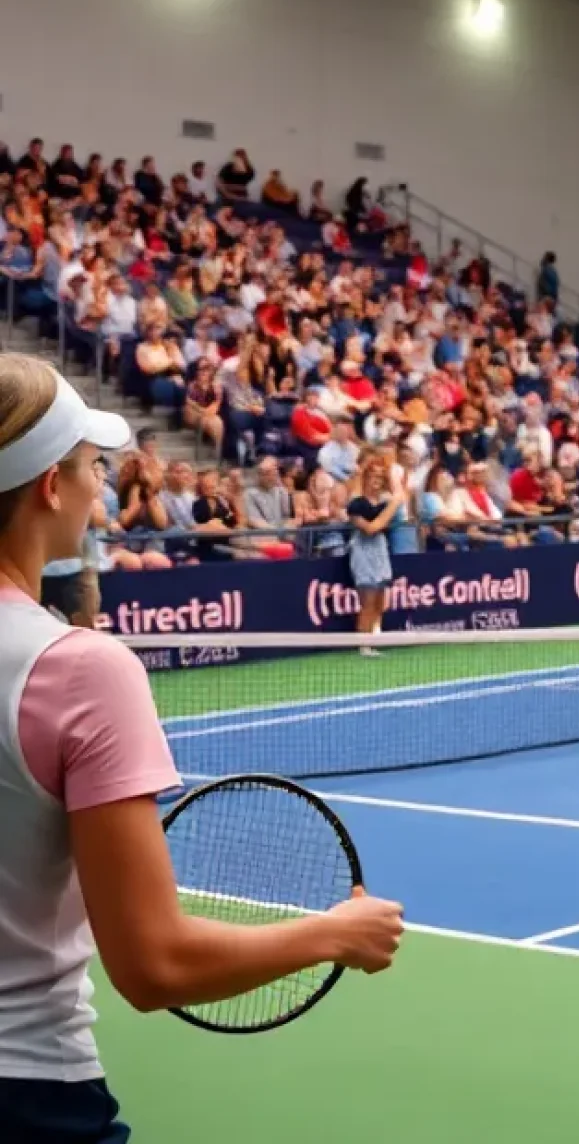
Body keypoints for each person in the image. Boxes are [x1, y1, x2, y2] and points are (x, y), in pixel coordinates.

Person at [0, 354, 404, 1143]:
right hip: (29, 1099)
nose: (100, 486)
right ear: (51, 486)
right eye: (91, 467)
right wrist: (335, 934)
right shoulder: (81, 671)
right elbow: (155, 966)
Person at [347, 455, 406, 655]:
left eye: (381, 477)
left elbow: (399, 494)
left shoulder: (383, 501)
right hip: (363, 550)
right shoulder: (356, 504)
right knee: (368, 599)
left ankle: (375, 636)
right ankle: (364, 644)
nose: (376, 481)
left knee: (381, 598)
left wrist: (395, 494)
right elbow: (371, 528)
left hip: (380, 549)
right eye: (373, 476)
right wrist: (394, 504)